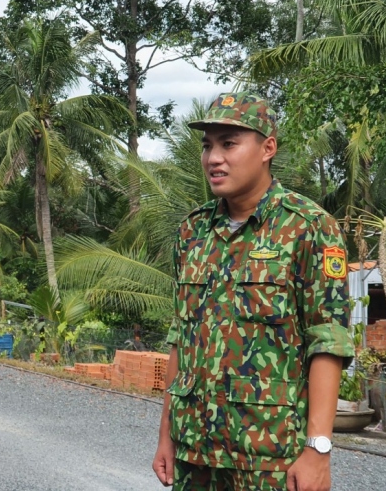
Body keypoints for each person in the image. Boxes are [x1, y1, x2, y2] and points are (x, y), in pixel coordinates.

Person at [151, 92, 354, 491]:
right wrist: (166, 435)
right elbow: (182, 337)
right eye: (208, 145)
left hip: (272, 459)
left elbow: (327, 340)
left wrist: (318, 449)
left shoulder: (308, 227)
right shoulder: (192, 232)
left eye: (229, 143)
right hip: (196, 454)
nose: (213, 158)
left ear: (267, 148)